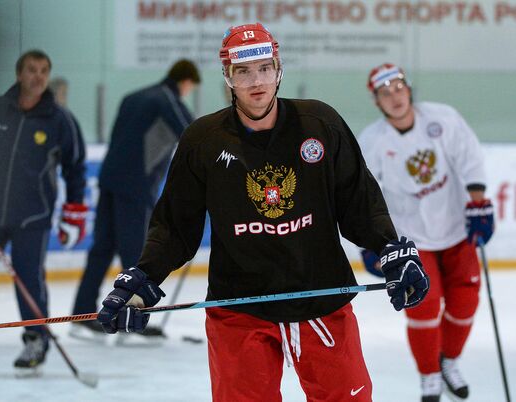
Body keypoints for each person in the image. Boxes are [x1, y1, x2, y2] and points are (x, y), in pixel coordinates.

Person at [93, 23, 430, 401]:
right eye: (243, 71)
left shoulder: (320, 124)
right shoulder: (203, 140)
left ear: (279, 70)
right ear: (228, 76)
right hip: (239, 307)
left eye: (265, 68)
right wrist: (142, 279)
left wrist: (391, 251)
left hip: (320, 296)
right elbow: (175, 226)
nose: (257, 81)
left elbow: (358, 201)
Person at [358, 63, 494, 402]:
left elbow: (470, 158)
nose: (394, 97)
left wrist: (478, 203)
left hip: (456, 229)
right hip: (411, 240)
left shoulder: (442, 119)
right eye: (385, 93)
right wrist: (371, 242)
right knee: (423, 305)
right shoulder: (373, 141)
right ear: (377, 101)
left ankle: (449, 361)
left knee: (465, 303)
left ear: (408, 89)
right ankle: (429, 375)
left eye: (398, 88)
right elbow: (364, 195)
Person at [0, 49, 87, 373]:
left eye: (44, 71)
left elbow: (75, 168)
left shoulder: (59, 119)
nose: (38, 76)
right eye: (32, 70)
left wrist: (74, 212)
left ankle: (36, 340)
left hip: (32, 217)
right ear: (19, 74)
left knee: (29, 284)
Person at [70, 59, 200, 338]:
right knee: (139, 253)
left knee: (102, 248)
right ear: (186, 82)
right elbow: (193, 134)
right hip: (136, 184)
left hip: (110, 179)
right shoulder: (167, 98)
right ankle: (132, 317)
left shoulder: (134, 97)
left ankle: (82, 312)